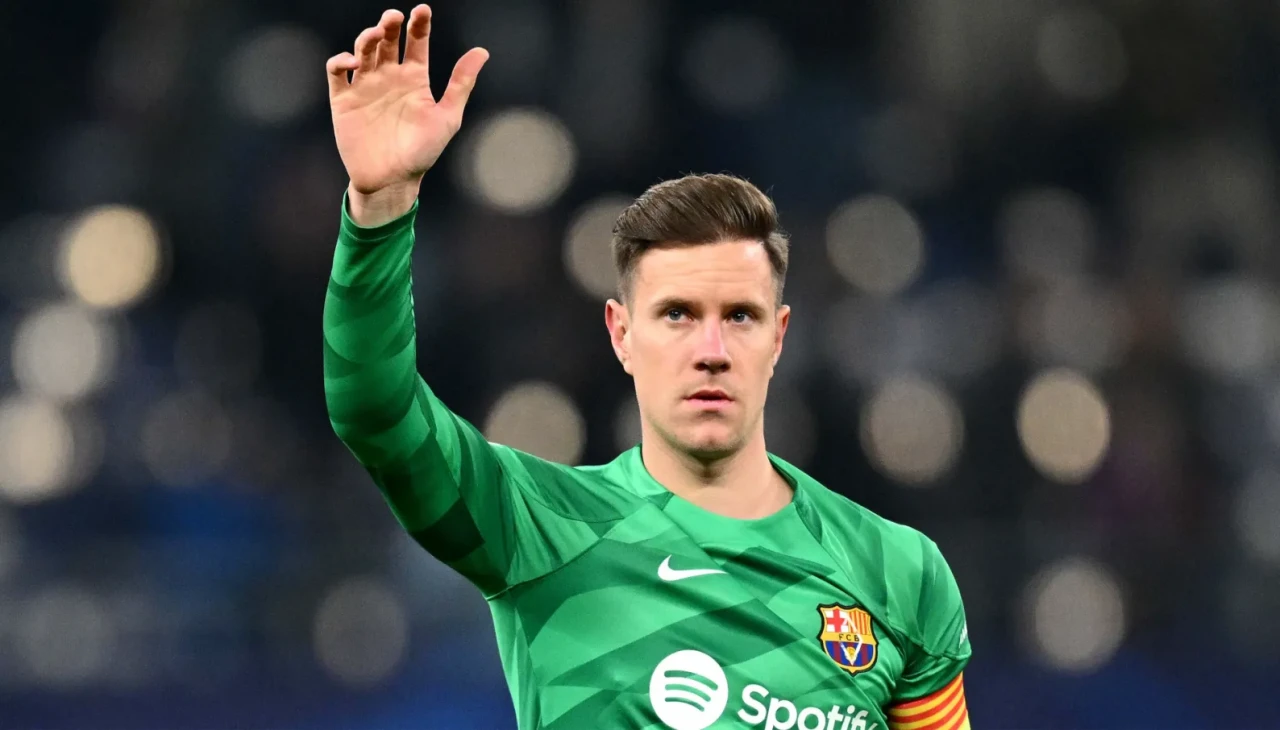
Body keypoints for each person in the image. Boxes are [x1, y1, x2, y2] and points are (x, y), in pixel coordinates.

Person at [323, 6, 972, 729]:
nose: (711, 349)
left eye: (741, 316)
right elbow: (375, 410)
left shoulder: (900, 572)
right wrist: (380, 207)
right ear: (622, 335)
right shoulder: (541, 528)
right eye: (677, 315)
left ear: (779, 337)